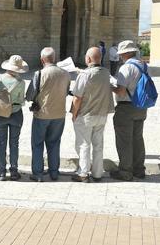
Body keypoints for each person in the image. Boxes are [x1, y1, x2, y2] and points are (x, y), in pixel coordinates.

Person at [26, 48, 70, 182]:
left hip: (42, 114)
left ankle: (38, 173)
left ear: (42, 59)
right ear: (54, 58)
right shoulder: (65, 74)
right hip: (59, 114)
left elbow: (30, 95)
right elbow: (66, 91)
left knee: (38, 144)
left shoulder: (39, 74)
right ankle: (54, 172)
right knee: (55, 143)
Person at [71, 47, 114, 182]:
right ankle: (97, 173)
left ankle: (83, 173)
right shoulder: (106, 73)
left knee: (84, 144)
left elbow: (77, 97)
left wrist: (74, 113)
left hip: (86, 115)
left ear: (88, 59)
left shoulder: (84, 75)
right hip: (101, 114)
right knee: (98, 144)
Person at [110, 40, 147, 181]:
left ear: (124, 53)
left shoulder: (126, 68)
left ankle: (125, 172)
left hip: (126, 107)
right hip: (141, 106)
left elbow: (120, 91)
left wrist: (110, 86)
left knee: (124, 141)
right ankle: (139, 170)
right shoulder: (143, 65)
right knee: (138, 139)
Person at [0, 55, 27, 181]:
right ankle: (13, 171)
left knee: (1, 143)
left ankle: (1, 172)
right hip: (16, 113)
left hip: (1, 114)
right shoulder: (21, 82)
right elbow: (22, 100)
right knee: (14, 143)